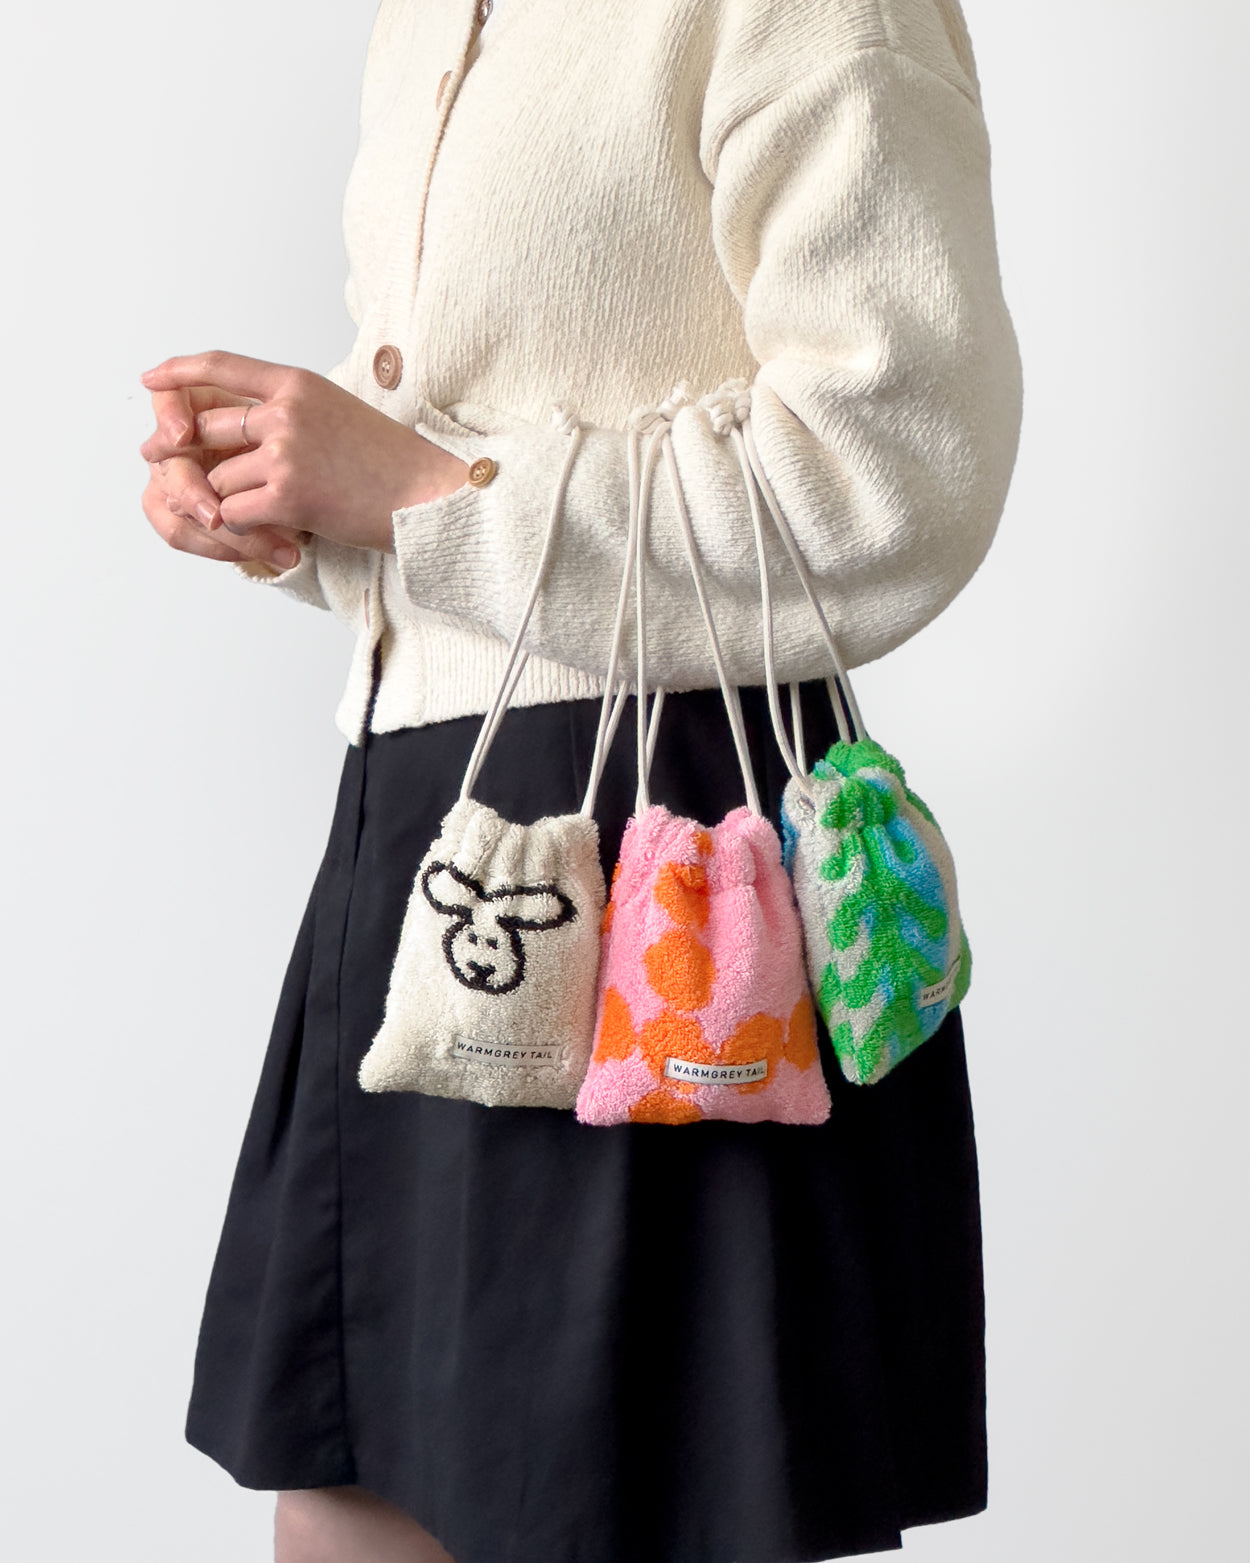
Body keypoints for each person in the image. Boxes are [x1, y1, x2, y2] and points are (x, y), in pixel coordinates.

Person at [139, 1, 1023, 1560]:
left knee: (607, 1506)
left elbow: (895, 467)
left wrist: (420, 493)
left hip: (670, 872)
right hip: (427, 833)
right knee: (350, 1496)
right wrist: (297, 496)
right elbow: (470, 463)